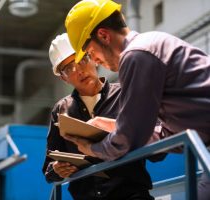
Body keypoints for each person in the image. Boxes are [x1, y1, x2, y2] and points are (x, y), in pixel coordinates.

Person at [64, 0, 210, 200]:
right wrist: (113, 126)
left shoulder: (136, 55)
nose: (95, 61)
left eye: (90, 53)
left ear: (104, 35)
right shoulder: (150, 44)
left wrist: (92, 149)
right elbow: (168, 133)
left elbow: (127, 140)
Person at [42, 33, 157, 200]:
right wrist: (56, 169)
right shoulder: (61, 110)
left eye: (82, 60)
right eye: (68, 68)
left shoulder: (126, 94)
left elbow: (156, 145)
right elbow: (48, 169)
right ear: (63, 78)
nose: (78, 70)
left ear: (93, 59)